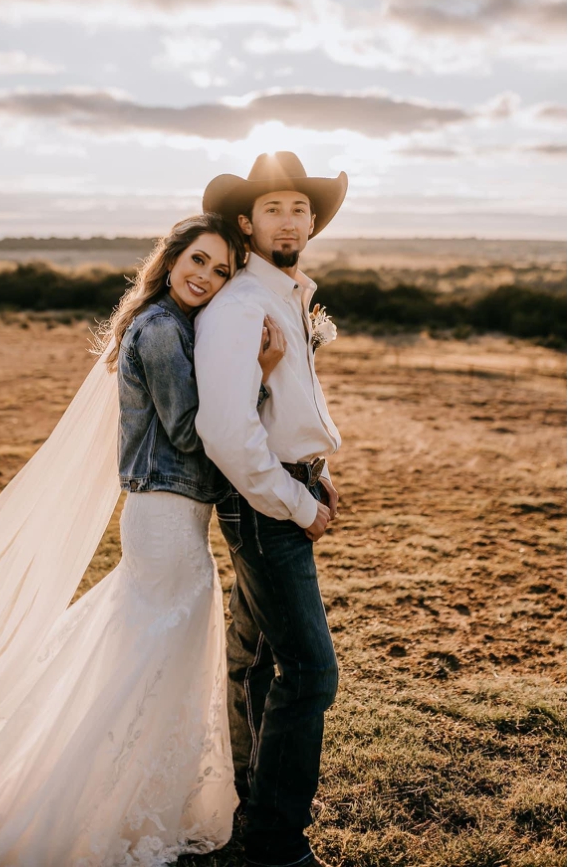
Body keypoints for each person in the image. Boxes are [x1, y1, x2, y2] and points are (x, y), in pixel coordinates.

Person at [0, 213, 284, 865]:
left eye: (220, 271)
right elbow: (189, 433)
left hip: (174, 516)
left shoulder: (175, 325)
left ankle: (126, 793)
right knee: (148, 661)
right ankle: (94, 797)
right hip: (163, 518)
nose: (206, 278)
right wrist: (260, 376)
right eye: (198, 262)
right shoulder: (160, 330)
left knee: (145, 659)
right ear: (172, 257)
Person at [196, 151, 347, 867]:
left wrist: (316, 470)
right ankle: (277, 845)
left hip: (293, 485)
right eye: (273, 209)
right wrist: (292, 499)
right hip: (264, 505)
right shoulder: (239, 307)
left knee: (254, 660)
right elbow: (226, 430)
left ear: (311, 221)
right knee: (312, 673)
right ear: (246, 223)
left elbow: (277, 403)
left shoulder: (289, 295)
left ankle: (249, 802)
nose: (289, 219)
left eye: (299, 208)